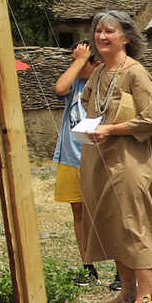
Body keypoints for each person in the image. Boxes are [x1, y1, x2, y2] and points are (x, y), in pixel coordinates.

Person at [77, 10, 152, 303]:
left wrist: (111, 130)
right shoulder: (100, 73)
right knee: (114, 224)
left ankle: (145, 300)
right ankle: (127, 293)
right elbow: (90, 108)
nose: (102, 37)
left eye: (110, 32)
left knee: (135, 224)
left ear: (126, 37)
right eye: (99, 31)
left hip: (130, 163)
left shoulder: (136, 73)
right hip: (101, 159)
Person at [49, 41, 97, 280]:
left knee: (103, 215)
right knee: (78, 213)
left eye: (80, 61)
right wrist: (79, 61)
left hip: (97, 159)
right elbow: (60, 88)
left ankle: (122, 273)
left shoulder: (105, 85)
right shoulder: (75, 83)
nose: (74, 65)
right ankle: (88, 266)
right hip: (70, 157)